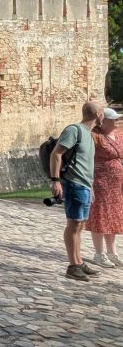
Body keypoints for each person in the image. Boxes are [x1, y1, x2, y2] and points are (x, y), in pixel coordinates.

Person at [49, 100, 102, 281]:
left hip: (85, 185)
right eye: (102, 111)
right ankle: (73, 266)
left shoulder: (89, 134)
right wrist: (55, 181)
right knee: (73, 225)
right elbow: (56, 153)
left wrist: (91, 186)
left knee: (80, 225)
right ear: (97, 114)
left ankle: (79, 262)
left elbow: (86, 164)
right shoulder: (75, 130)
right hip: (74, 184)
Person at [86, 107, 123, 267]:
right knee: (100, 216)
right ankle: (99, 253)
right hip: (100, 182)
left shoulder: (119, 136)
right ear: (104, 121)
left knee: (113, 216)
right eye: (114, 119)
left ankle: (112, 252)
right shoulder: (95, 137)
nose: (117, 121)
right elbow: (86, 158)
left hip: (117, 184)